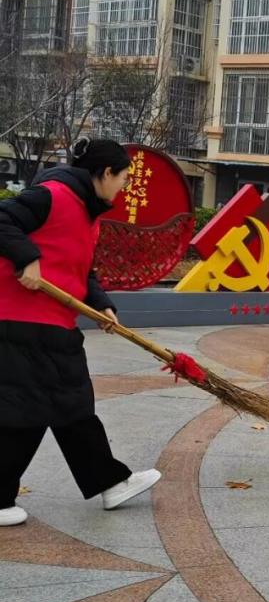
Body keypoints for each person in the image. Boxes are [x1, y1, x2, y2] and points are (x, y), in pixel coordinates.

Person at [0, 138, 161, 526]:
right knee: (34, 408)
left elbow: (80, 269)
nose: (124, 186)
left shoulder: (89, 213)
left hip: (52, 324)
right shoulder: (52, 195)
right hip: (21, 320)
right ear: (105, 173)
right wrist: (27, 257)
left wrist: (101, 303)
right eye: (123, 178)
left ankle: (110, 482)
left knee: (68, 407)